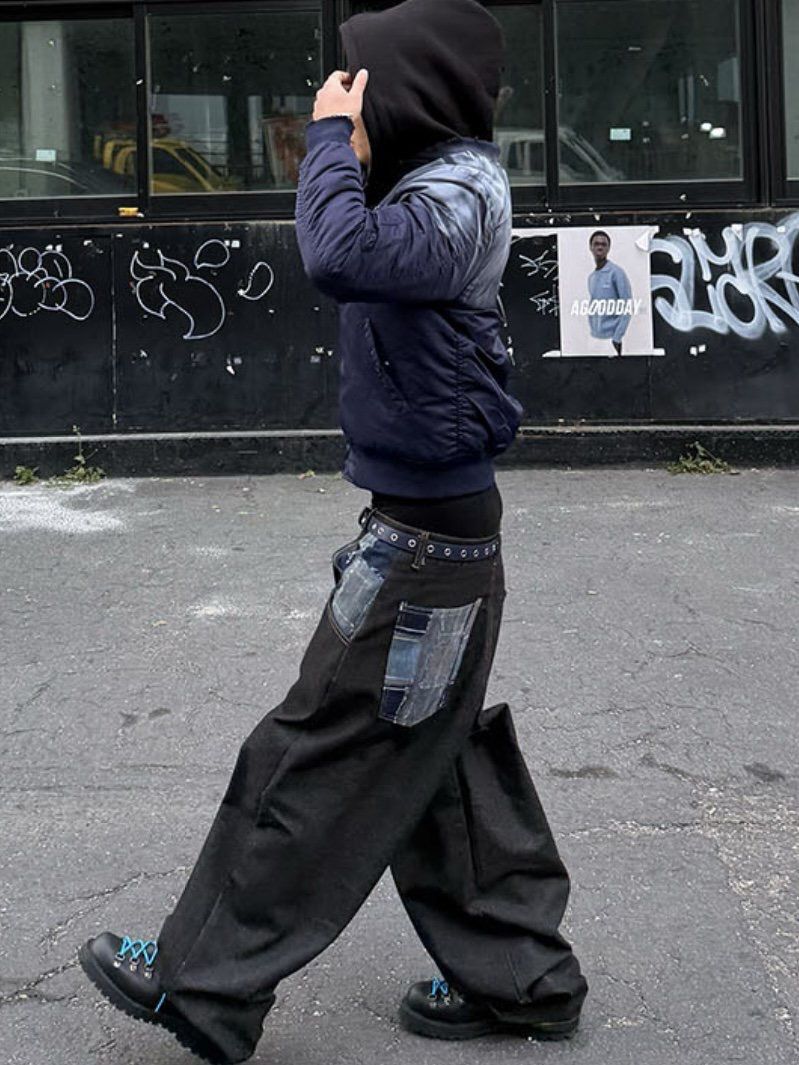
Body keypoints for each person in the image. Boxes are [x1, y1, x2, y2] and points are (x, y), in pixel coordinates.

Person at [78, 2, 588, 1062]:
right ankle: (523, 978)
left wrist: (325, 137)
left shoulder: (454, 193)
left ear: (409, 90)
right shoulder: (435, 180)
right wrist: (344, 151)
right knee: (433, 759)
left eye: (361, 82)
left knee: (307, 755)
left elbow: (339, 254)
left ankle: (201, 985)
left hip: (425, 557)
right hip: (431, 541)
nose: (345, 99)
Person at [587, 230, 633, 355]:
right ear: (591, 247)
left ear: (608, 248)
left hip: (611, 339)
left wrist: (617, 338)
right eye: (596, 244)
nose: (600, 247)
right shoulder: (591, 277)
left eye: (603, 244)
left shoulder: (616, 273)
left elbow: (627, 306)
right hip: (594, 338)